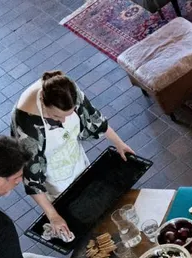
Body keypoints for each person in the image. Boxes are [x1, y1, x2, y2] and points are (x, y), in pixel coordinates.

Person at [12, 71, 135, 239]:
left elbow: (93, 118)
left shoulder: (69, 91)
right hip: (54, 177)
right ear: (42, 101)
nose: (62, 121)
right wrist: (53, 215)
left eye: (67, 116)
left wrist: (119, 143)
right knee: (79, 220)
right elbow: (31, 179)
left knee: (93, 196)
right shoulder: (28, 126)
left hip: (73, 156)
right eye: (56, 116)